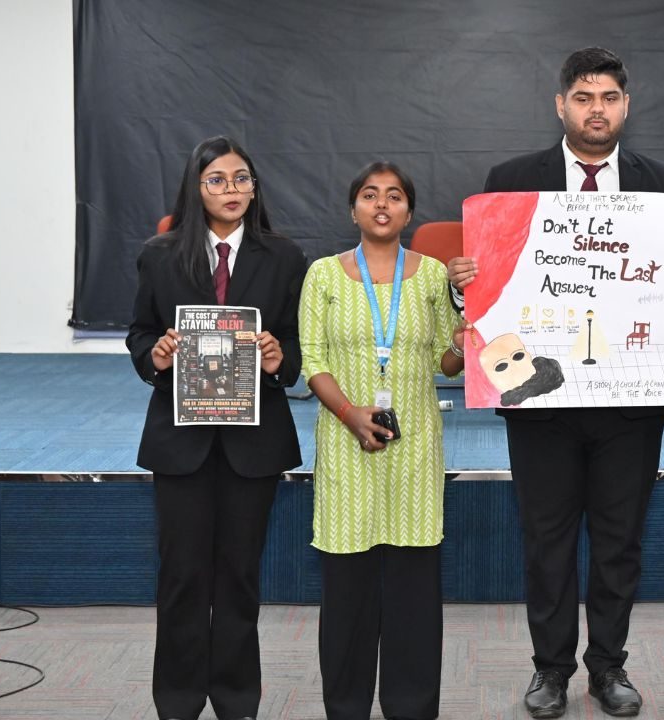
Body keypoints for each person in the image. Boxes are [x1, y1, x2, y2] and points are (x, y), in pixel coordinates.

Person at [448, 47, 664, 719]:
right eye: (583, 97)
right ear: (561, 105)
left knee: (619, 541)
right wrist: (463, 284)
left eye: (609, 97)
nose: (596, 109)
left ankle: (608, 668)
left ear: (626, 106)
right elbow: (485, 297)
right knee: (547, 540)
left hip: (632, 403)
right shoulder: (511, 182)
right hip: (540, 403)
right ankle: (550, 671)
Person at [127, 135, 307, 720]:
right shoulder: (160, 254)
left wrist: (284, 359)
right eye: (218, 181)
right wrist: (155, 354)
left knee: (238, 577)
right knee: (181, 577)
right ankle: (177, 701)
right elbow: (139, 332)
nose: (232, 190)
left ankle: (236, 700)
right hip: (181, 443)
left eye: (242, 179)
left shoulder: (283, 256)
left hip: (252, 444)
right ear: (195, 188)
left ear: (255, 187)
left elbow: (300, 342)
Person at [299, 161, 465, 720]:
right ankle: (345, 707)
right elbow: (313, 361)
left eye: (394, 196)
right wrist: (349, 414)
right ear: (354, 210)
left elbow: (446, 359)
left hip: (414, 450)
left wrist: (465, 346)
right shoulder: (323, 274)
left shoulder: (433, 274)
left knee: (414, 597)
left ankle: (412, 706)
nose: (382, 204)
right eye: (370, 195)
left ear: (408, 212)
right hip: (346, 448)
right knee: (346, 593)